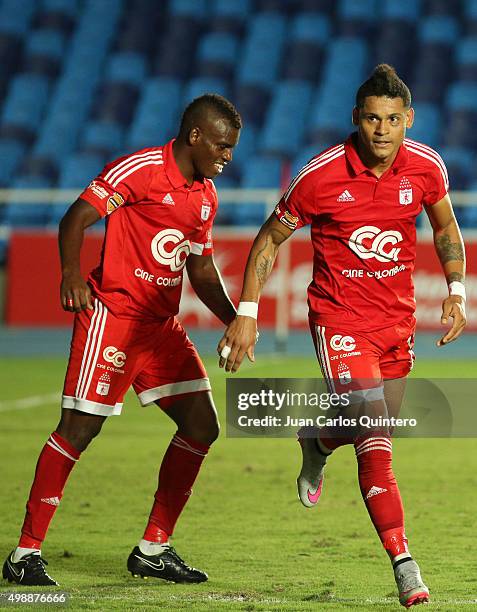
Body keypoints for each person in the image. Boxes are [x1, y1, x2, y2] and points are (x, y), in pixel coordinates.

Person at [218, 65, 466, 608]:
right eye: (372, 118)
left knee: (370, 426)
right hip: (339, 321)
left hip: (396, 323)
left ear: (409, 121)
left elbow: (445, 227)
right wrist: (249, 310)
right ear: (356, 118)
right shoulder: (321, 175)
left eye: (393, 120)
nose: (382, 130)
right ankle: (404, 562)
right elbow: (268, 239)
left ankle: (316, 440)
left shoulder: (426, 167)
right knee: (375, 434)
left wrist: (456, 289)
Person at [3, 94, 242, 586]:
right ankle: (24, 555)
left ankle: (153, 549)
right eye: (221, 145)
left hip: (159, 329)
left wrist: (234, 319)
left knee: (201, 426)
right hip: (112, 319)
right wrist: (71, 272)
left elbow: (198, 268)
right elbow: (75, 218)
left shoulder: (205, 196)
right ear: (195, 136)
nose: (227, 156)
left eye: (233, 148)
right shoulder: (140, 169)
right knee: (78, 431)